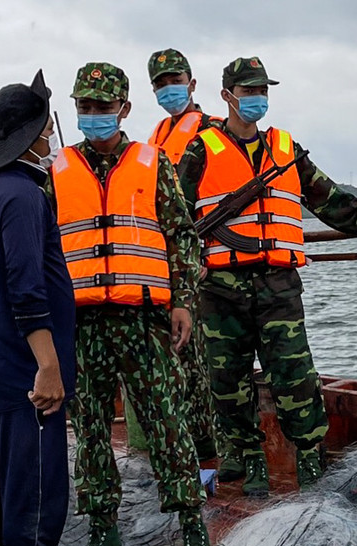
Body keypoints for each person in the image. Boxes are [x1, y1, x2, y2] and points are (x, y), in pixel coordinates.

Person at [177, 57, 357, 496]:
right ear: (227, 95)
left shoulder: (286, 149)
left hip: (279, 287)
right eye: (248, 91)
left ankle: (310, 462)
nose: (256, 98)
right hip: (219, 290)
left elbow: (330, 201)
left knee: (295, 376)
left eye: (262, 90)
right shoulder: (200, 149)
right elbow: (174, 217)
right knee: (226, 380)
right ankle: (245, 461)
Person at [52, 62, 209, 546]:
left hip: (144, 318)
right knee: (91, 428)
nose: (92, 115)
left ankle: (190, 521)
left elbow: (182, 234)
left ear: (123, 109)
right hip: (82, 322)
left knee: (166, 419)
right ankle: (103, 528)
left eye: (101, 107)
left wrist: (182, 300)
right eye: (84, 107)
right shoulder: (57, 170)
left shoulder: (152, 162)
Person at [0, 70, 74, 546]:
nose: (51, 140)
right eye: (47, 132)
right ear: (28, 140)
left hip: (3, 366)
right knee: (37, 493)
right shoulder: (24, 196)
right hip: (30, 373)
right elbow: (27, 291)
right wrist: (48, 366)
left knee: (5, 484)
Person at [147, 48, 219, 460]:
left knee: (205, 368)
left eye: (175, 81)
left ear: (192, 84)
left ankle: (211, 454)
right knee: (178, 364)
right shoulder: (156, 135)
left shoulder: (211, 131)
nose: (168, 89)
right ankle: (187, 452)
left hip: (203, 264)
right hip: (164, 267)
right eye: (160, 83)